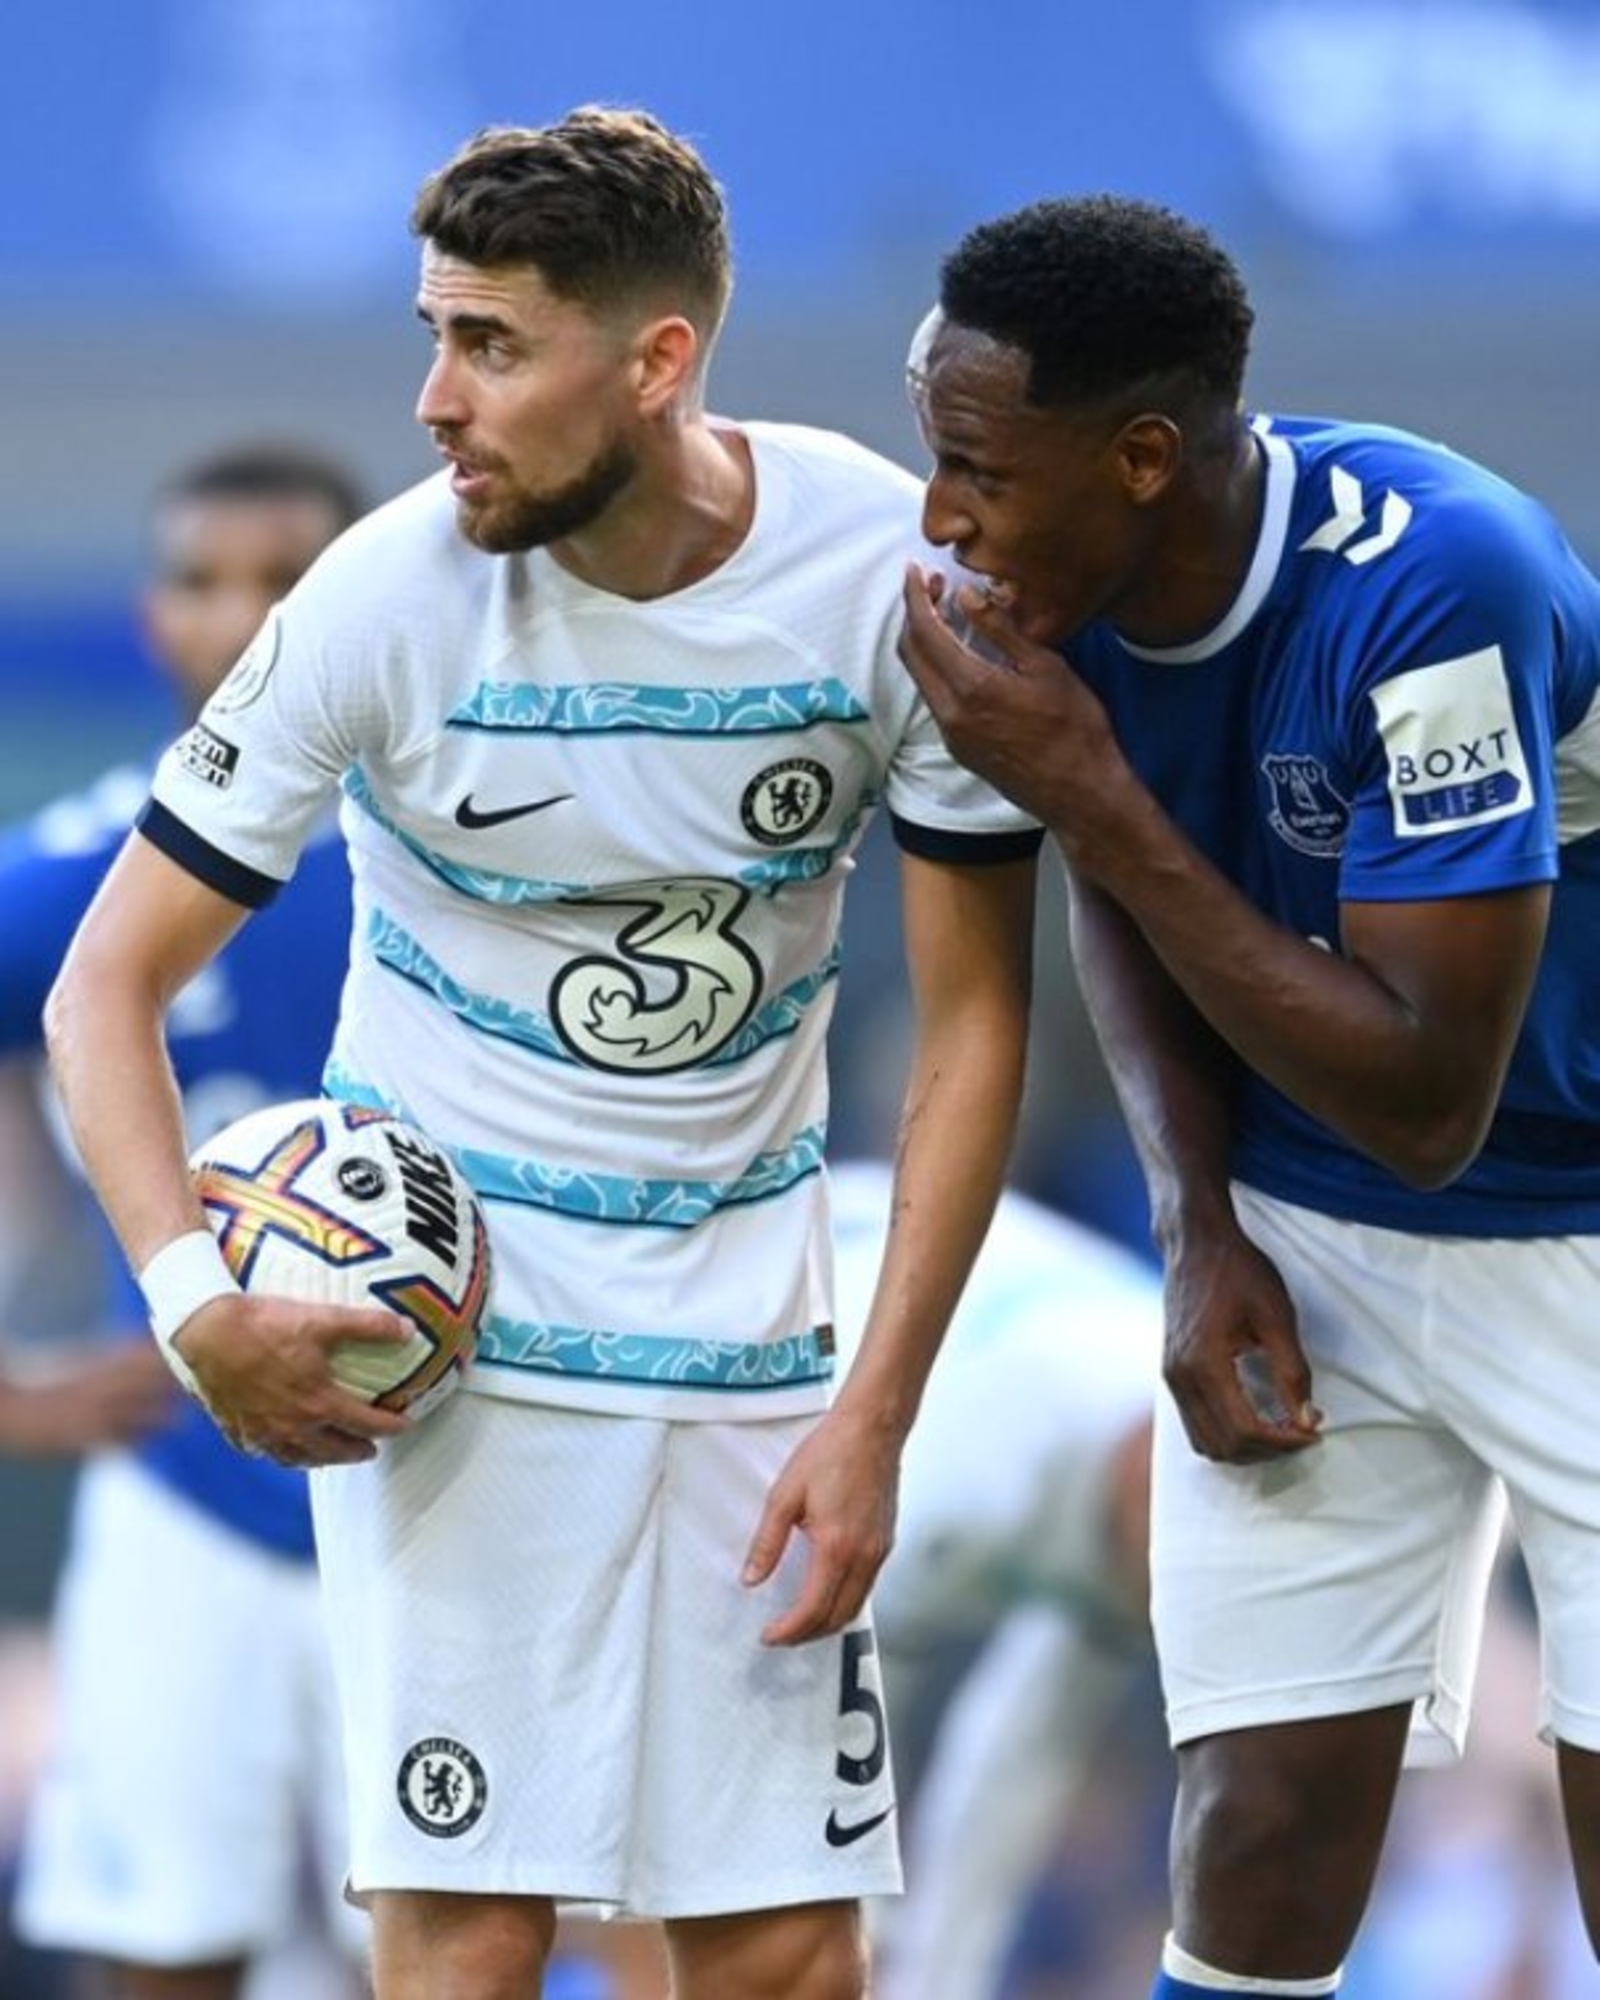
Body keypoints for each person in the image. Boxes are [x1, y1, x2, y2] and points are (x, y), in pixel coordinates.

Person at [41, 108, 1041, 2000]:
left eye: (491, 346)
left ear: (656, 360)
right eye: (435, 334)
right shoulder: (382, 598)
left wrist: (877, 1414)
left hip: (760, 1364)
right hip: (458, 1365)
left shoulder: (880, 575)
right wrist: (191, 1302)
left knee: (787, 1960)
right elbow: (103, 990)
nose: (435, 400)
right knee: (477, 1943)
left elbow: (976, 1016)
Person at [895, 194, 1600, 1998]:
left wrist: (1090, 795)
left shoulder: (1440, 588)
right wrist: (1197, 1228)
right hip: (1304, 1225)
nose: (942, 513)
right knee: (1258, 1837)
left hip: (1574, 1221)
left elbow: (1427, 1099)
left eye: (978, 467)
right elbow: (1132, 890)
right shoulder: (1069, 587)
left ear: (1142, 457)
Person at [1, 442, 372, 2000]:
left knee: (489, 1941)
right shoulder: (65, 880)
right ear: (151, 615)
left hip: (445, 1482)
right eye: (200, 580)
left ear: (361, 599)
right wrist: (11, 1394)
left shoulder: (473, 861)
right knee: (162, 1954)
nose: (238, 618)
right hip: (182, 1494)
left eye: (284, 580)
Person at [828, 1157, 1160, 2000]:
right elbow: (850, 1703)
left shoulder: (1178, 1521)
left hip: (971, 1297)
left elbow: (1022, 1758)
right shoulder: (972, 1483)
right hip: (809, 1280)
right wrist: (859, 1938)